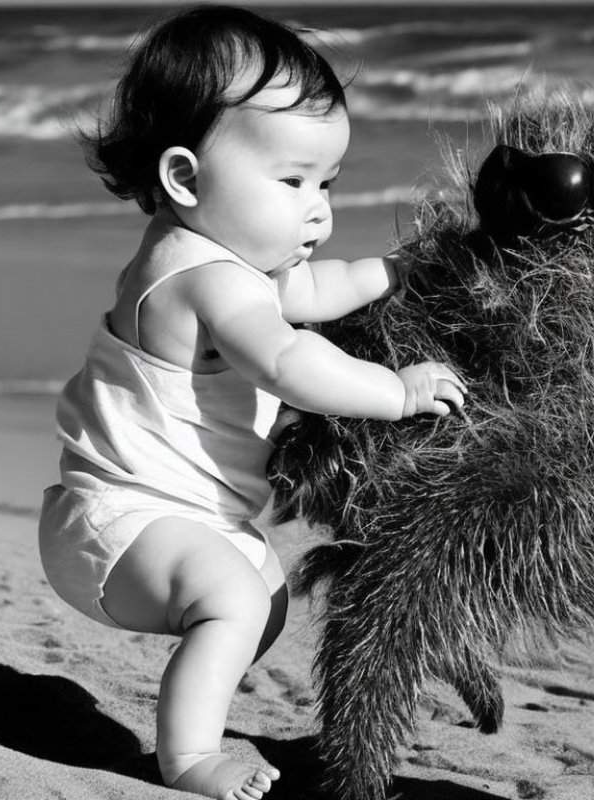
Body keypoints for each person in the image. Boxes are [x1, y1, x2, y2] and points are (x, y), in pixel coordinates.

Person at [37, 6, 466, 800]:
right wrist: (397, 393)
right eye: (293, 181)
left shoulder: (222, 258)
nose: (319, 208)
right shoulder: (205, 278)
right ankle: (191, 759)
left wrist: (398, 271)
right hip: (121, 521)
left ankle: (196, 719)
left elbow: (312, 291)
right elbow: (287, 358)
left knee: (259, 596)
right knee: (233, 600)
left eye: (328, 182)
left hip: (166, 517)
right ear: (185, 178)